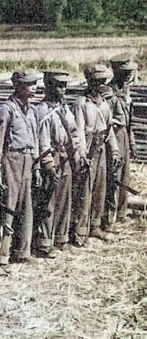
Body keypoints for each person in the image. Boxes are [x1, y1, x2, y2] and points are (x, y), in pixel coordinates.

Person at [0, 70, 42, 266]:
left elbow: (34, 138)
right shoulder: (6, 110)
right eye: (29, 84)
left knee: (26, 206)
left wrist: (35, 166)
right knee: (8, 207)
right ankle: (2, 254)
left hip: (27, 160)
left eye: (35, 83)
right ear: (17, 86)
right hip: (11, 159)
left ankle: (23, 251)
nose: (34, 87)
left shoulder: (32, 110)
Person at [33, 70, 83, 256]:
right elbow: (43, 139)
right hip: (52, 158)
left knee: (64, 198)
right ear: (49, 87)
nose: (63, 90)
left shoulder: (65, 108)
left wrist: (76, 156)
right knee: (49, 202)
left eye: (65, 86)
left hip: (65, 158)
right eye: (59, 86)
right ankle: (45, 243)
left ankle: (61, 238)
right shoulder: (42, 110)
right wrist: (48, 164)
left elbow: (74, 134)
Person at [72, 64, 120, 245]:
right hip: (89, 150)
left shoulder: (105, 104)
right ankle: (80, 232)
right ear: (89, 82)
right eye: (97, 81)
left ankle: (95, 226)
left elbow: (109, 130)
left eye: (103, 81)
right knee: (85, 191)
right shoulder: (81, 103)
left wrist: (114, 150)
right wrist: (82, 155)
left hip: (101, 149)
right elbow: (79, 131)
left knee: (100, 188)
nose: (101, 85)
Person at [106, 53, 138, 227]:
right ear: (116, 71)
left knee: (125, 176)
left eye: (129, 72)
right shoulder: (109, 92)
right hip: (114, 136)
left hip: (124, 135)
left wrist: (131, 142)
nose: (128, 75)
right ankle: (109, 217)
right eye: (124, 72)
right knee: (114, 176)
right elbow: (108, 122)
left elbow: (130, 120)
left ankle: (121, 213)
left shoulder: (126, 91)